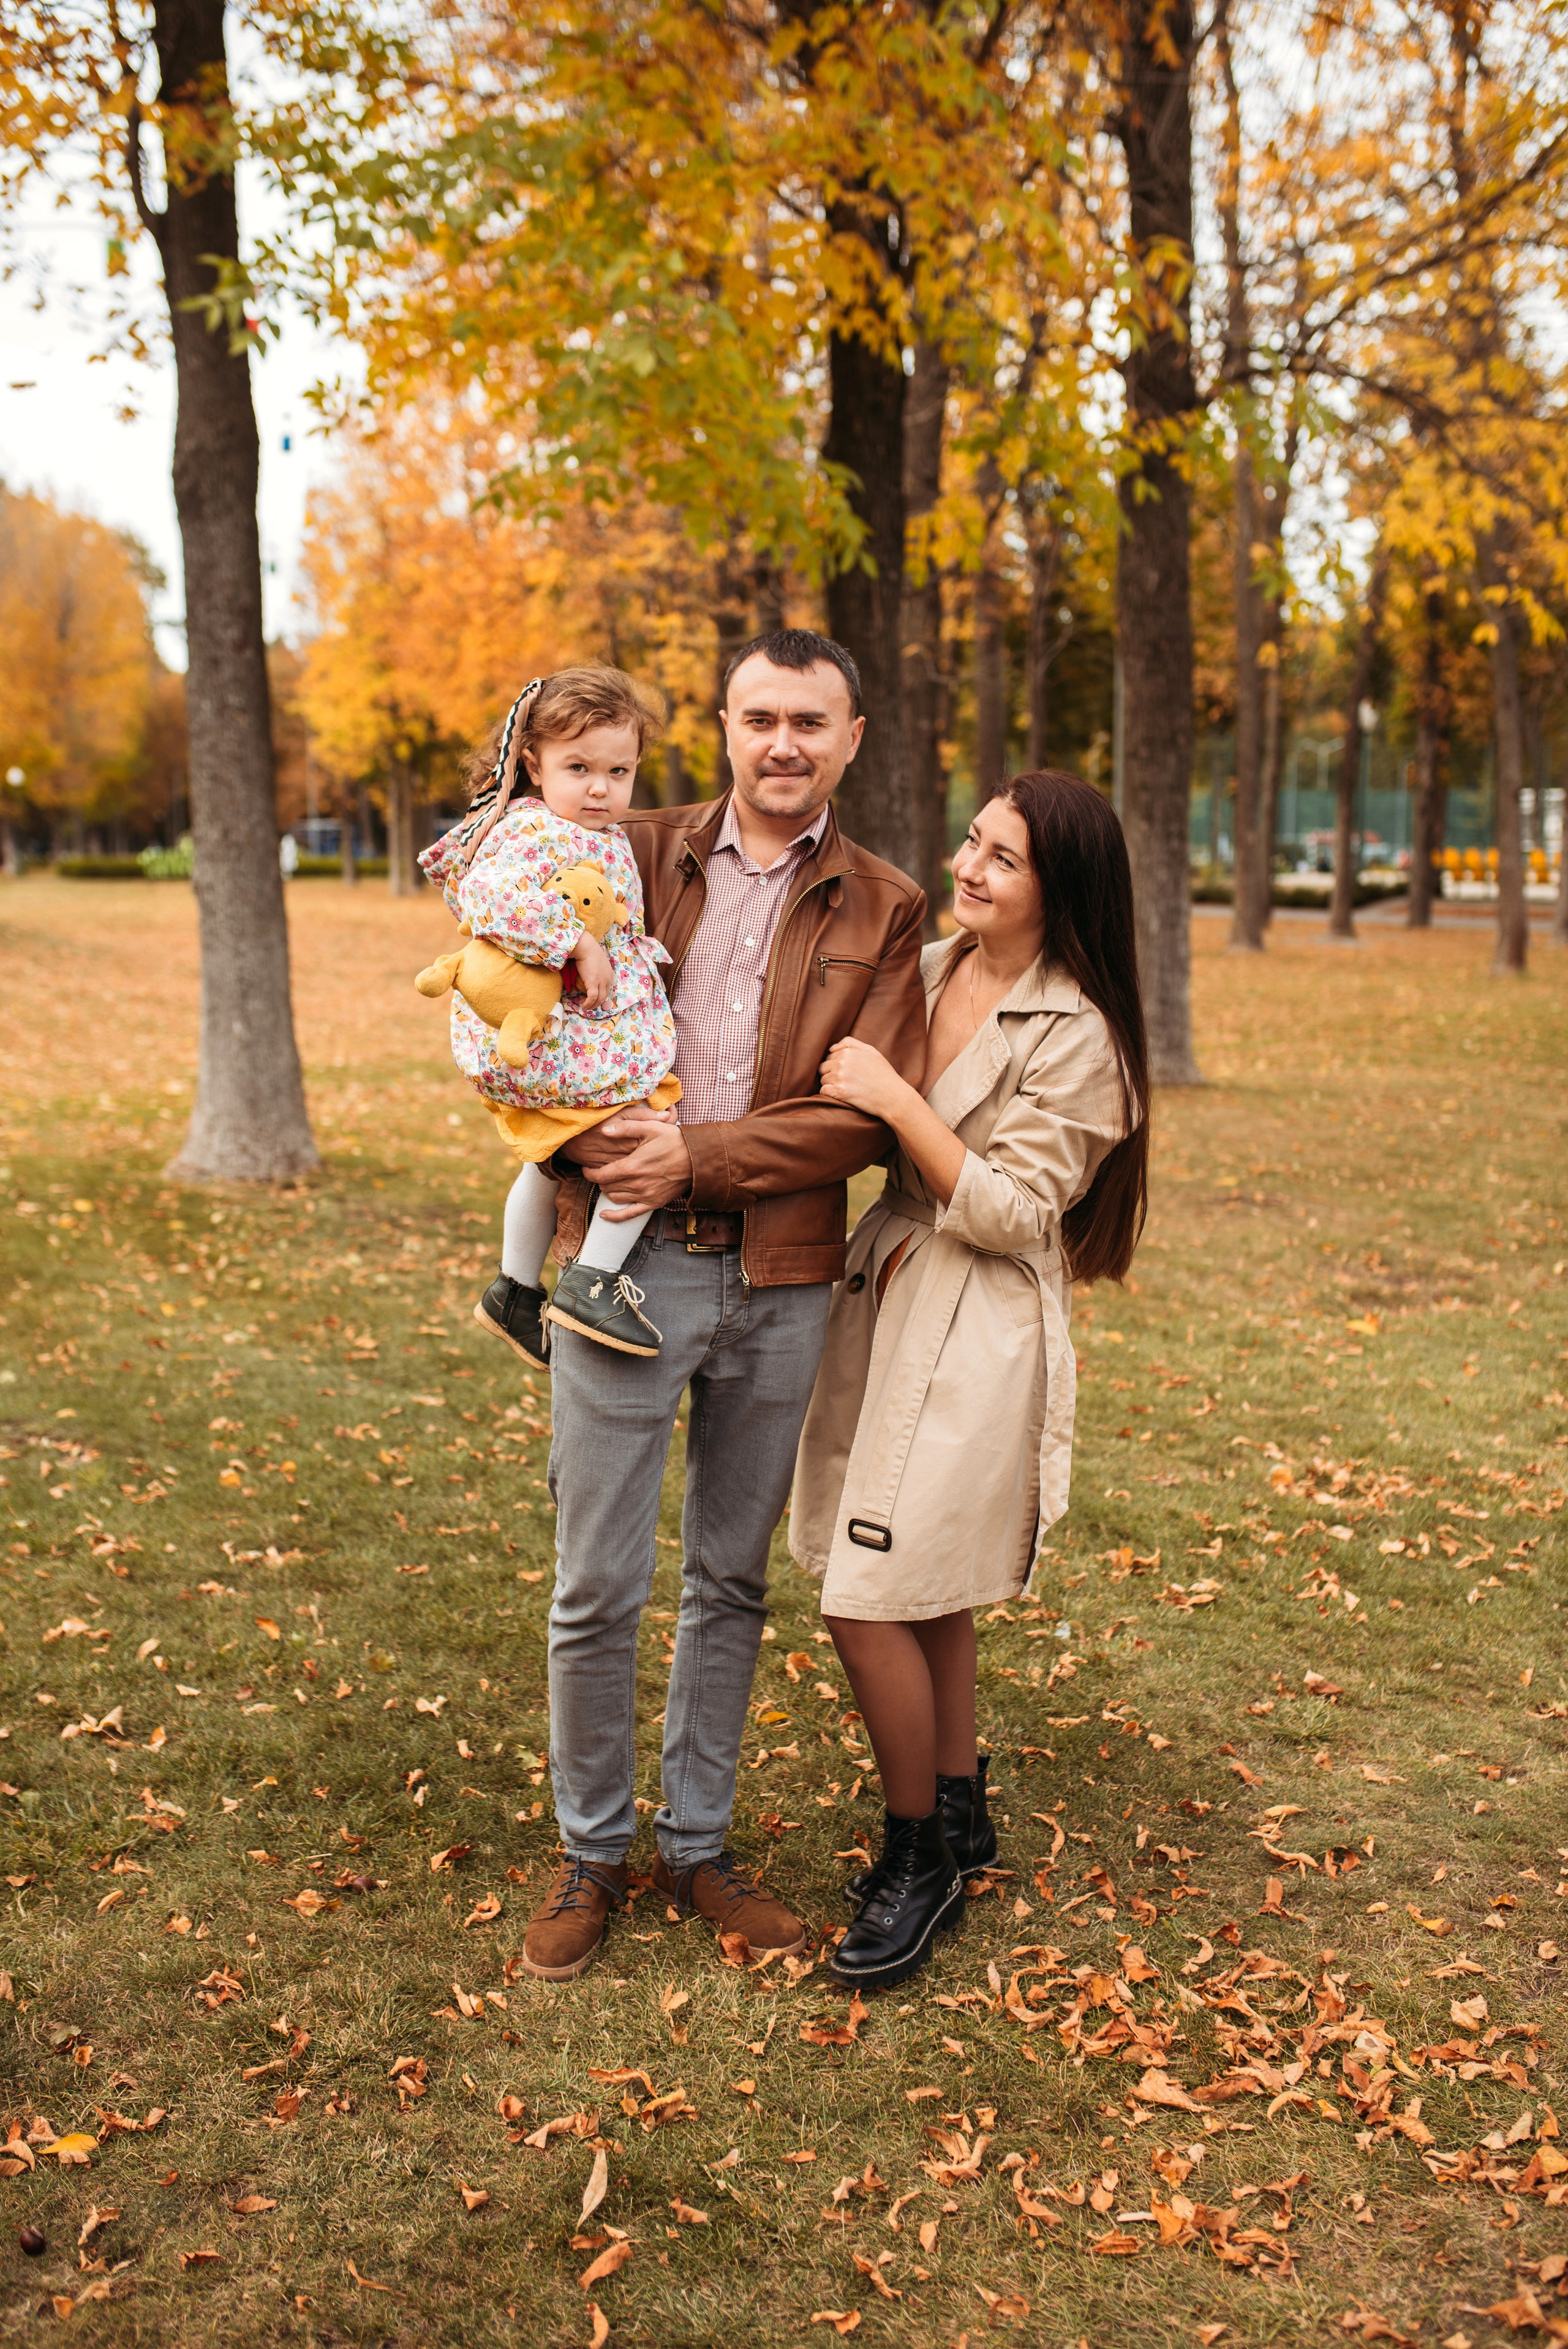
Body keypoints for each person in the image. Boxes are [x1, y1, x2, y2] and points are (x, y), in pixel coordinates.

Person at [518, 628, 929, 1981]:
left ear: (850, 737)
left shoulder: (886, 907)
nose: (783, 745)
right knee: (597, 1583)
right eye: (760, 718)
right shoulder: (623, 846)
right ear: (725, 726)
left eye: (810, 721)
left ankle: (696, 1847)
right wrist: (585, 1143)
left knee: (730, 1580)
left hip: (781, 1277)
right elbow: (519, 995)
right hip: (623, 1267)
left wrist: (694, 1155)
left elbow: (858, 1120)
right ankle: (591, 1853)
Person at [790, 769, 1151, 1991]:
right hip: (887, 1281)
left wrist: (895, 1100)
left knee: (867, 1592)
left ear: (1062, 889)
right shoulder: (934, 966)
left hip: (976, 1316)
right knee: (924, 1574)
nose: (967, 866)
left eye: (1002, 857)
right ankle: (957, 1805)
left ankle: (920, 1859)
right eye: (971, 841)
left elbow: (1013, 1211)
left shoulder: (1081, 1035)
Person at [419, 668, 682, 1368]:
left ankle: (514, 1288)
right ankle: (594, 1280)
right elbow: (486, 895)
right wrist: (576, 943)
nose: (600, 789)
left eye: (618, 771)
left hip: (568, 1035)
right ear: (534, 765)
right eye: (579, 768)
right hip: (552, 1039)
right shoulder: (534, 828)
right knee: (648, 1137)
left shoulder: (596, 833)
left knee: (547, 1160)